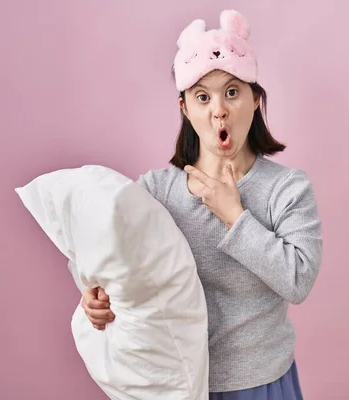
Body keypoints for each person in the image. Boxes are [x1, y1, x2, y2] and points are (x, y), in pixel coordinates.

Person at [78, 9, 323, 399]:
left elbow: (297, 281)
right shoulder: (156, 191)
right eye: (202, 97)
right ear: (185, 109)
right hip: (179, 384)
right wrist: (95, 295)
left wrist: (234, 216)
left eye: (231, 92)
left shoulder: (286, 189)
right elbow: (114, 264)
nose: (219, 110)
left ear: (255, 99)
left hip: (262, 381)